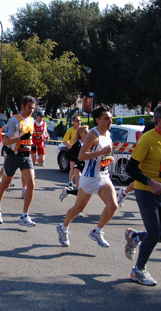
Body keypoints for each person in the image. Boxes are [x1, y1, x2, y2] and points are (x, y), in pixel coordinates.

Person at [123, 104, 161, 286]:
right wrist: (150, 182)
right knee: (154, 233)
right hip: (146, 191)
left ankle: (137, 236)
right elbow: (130, 168)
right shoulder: (148, 138)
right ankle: (138, 270)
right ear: (159, 120)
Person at [56, 106, 118, 248]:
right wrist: (101, 152)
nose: (110, 121)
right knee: (78, 208)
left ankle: (97, 231)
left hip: (103, 176)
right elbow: (82, 156)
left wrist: (108, 158)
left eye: (111, 118)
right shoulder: (92, 135)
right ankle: (63, 227)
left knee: (113, 205)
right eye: (107, 118)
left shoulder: (107, 134)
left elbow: (103, 154)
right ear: (97, 120)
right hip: (90, 177)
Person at [0, 96, 37, 227]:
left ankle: (25, 215)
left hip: (26, 156)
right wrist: (19, 139)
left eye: (33, 108)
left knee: (31, 184)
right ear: (22, 106)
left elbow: (28, 138)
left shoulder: (31, 120)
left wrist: (30, 144)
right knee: (5, 183)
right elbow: (5, 141)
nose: (31, 111)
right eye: (29, 108)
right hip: (13, 156)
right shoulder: (14, 121)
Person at [59, 125, 89, 207]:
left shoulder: (88, 144)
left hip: (86, 168)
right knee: (80, 189)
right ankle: (78, 208)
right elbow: (68, 155)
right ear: (80, 133)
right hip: (78, 168)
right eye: (86, 132)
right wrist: (77, 160)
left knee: (84, 190)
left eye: (88, 132)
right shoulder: (77, 144)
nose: (88, 133)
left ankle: (67, 191)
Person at [62, 115, 82, 187]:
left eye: (80, 120)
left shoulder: (83, 130)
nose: (79, 122)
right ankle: (70, 182)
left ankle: (80, 183)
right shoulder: (70, 130)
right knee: (73, 168)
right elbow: (64, 141)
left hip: (81, 151)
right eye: (77, 121)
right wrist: (71, 146)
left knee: (81, 168)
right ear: (73, 122)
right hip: (73, 152)